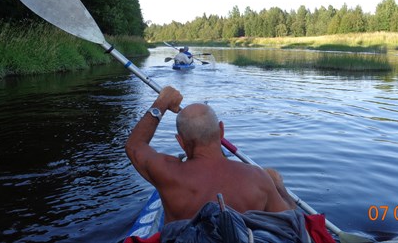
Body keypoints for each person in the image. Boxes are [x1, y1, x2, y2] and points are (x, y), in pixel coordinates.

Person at [125, 86, 297, 225]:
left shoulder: (167, 173)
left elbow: (135, 146)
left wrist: (162, 102)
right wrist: (277, 184)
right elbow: (292, 221)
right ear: (221, 131)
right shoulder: (258, 178)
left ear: (180, 142)